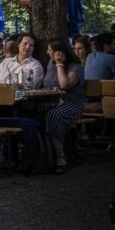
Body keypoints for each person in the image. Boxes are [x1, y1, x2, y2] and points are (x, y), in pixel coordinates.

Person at [42, 39, 86, 174]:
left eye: (50, 51)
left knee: (54, 115)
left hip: (72, 104)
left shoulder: (75, 67)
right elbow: (46, 82)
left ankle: (60, 157)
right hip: (51, 102)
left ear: (59, 53)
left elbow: (64, 85)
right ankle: (43, 156)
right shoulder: (50, 63)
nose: (48, 53)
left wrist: (59, 64)